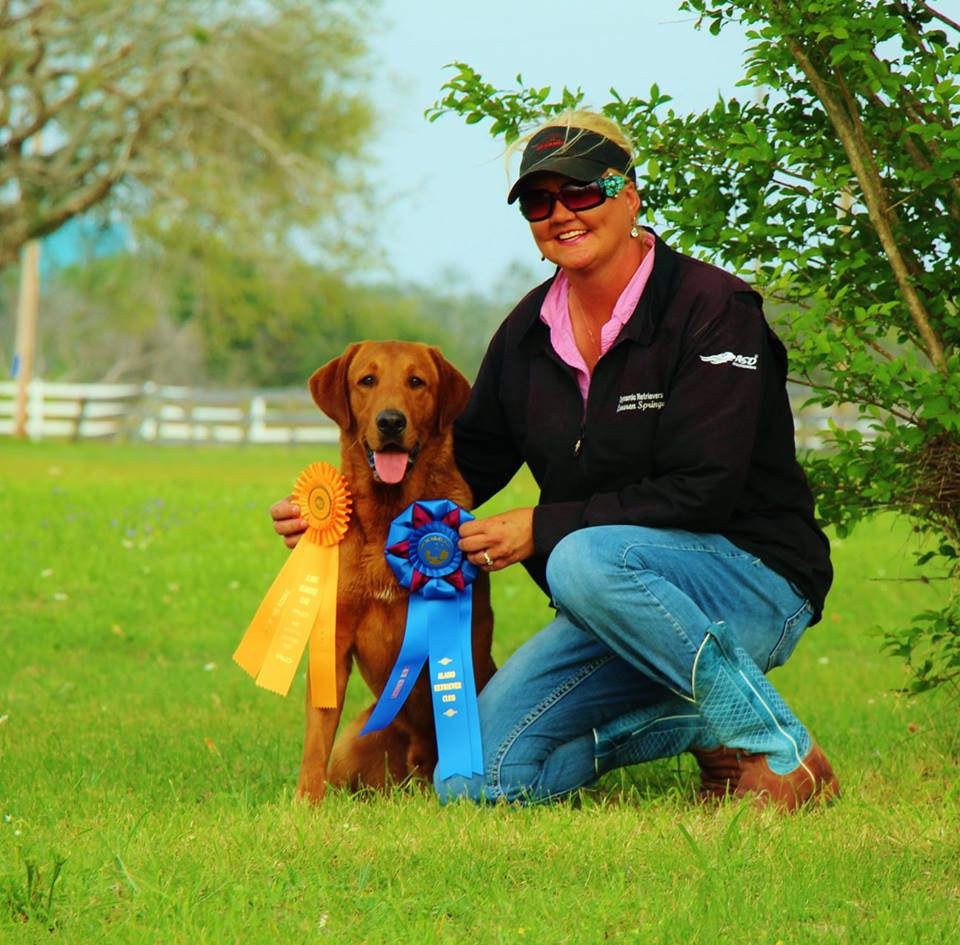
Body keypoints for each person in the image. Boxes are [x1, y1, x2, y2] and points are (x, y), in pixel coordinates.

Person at [273, 111, 839, 811]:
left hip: (751, 579)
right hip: (609, 604)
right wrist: (343, 516)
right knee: (472, 776)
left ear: (628, 196)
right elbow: (459, 464)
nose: (561, 214)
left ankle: (780, 751)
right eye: (540, 202)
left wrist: (542, 529)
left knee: (579, 557)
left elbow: (707, 490)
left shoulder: (713, 308)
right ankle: (702, 724)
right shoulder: (527, 333)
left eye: (582, 193)